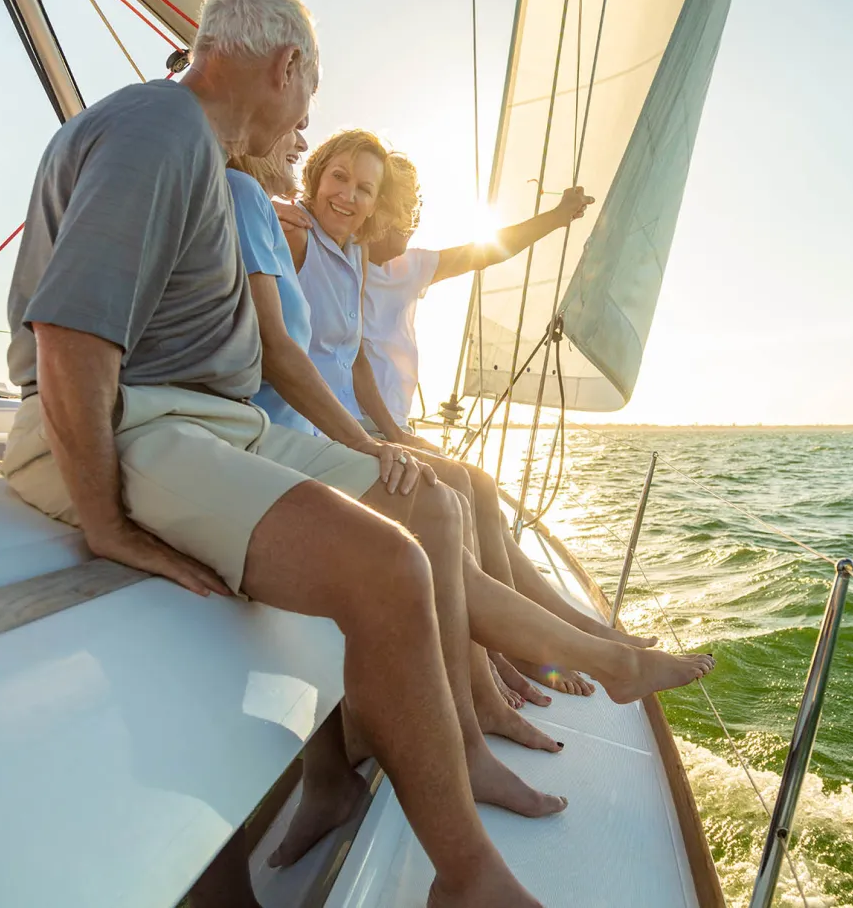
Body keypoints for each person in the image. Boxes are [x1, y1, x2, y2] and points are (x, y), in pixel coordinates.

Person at [0, 0, 549, 907]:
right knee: (389, 565)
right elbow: (72, 337)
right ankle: (468, 873)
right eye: (311, 94)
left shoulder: (201, 155)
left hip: (210, 422)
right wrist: (106, 521)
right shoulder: (158, 129)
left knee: (431, 504)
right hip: (134, 421)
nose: (304, 118)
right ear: (286, 68)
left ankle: (443, 745)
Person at [225, 126, 716, 869]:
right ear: (310, 173)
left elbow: (356, 362)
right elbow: (281, 337)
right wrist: (372, 444)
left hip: (339, 436)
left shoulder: (352, 256)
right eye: (338, 179)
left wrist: (390, 436)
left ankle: (540, 666)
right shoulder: (283, 224)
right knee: (442, 508)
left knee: (454, 497)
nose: (353, 200)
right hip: (297, 439)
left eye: (369, 190)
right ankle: (527, 686)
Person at [281, 144, 659, 699]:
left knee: (481, 495)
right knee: (464, 491)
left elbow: (489, 251)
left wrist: (555, 219)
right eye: (399, 216)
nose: (407, 231)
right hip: (352, 426)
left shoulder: (406, 265)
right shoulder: (338, 252)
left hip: (382, 424)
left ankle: (565, 636)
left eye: (411, 217)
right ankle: (524, 650)